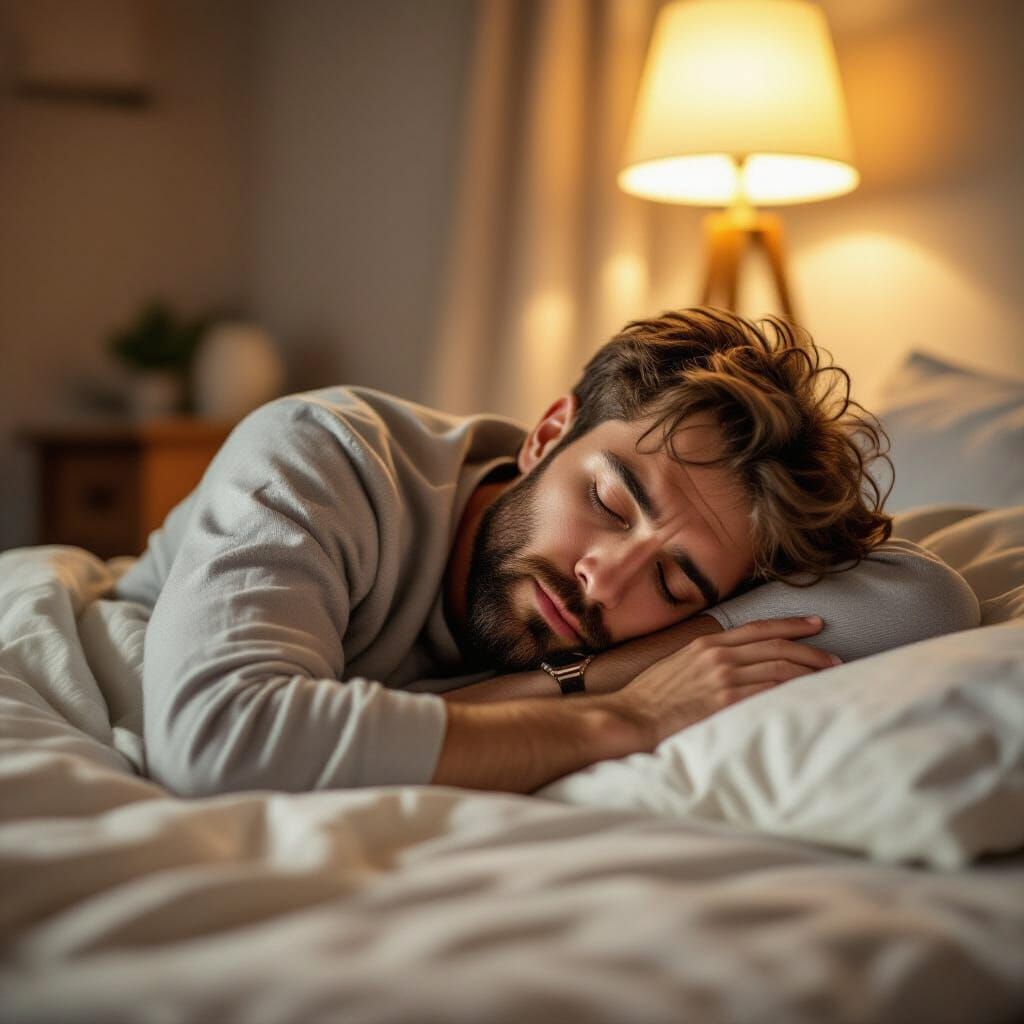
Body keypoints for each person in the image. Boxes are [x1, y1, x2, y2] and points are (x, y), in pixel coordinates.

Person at [116, 307, 979, 798]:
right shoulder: (320, 453)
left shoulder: (656, 592)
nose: (605, 576)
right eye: (609, 501)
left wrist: (580, 674)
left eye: (675, 580)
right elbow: (220, 740)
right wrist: (628, 709)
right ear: (548, 434)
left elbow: (921, 601)